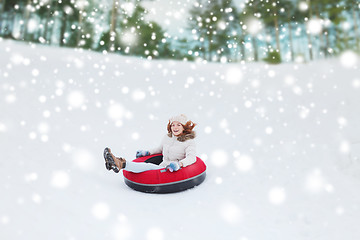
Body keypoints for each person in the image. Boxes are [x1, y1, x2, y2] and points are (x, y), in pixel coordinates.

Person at [104, 114, 197, 173]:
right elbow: (160, 149)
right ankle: (115, 162)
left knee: (148, 167)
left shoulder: (189, 142)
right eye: (173, 125)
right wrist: (147, 153)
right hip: (163, 165)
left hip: (173, 170)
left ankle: (120, 163)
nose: (175, 127)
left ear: (184, 127)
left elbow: (192, 158)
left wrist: (179, 164)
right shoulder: (168, 137)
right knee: (147, 167)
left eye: (178, 125)